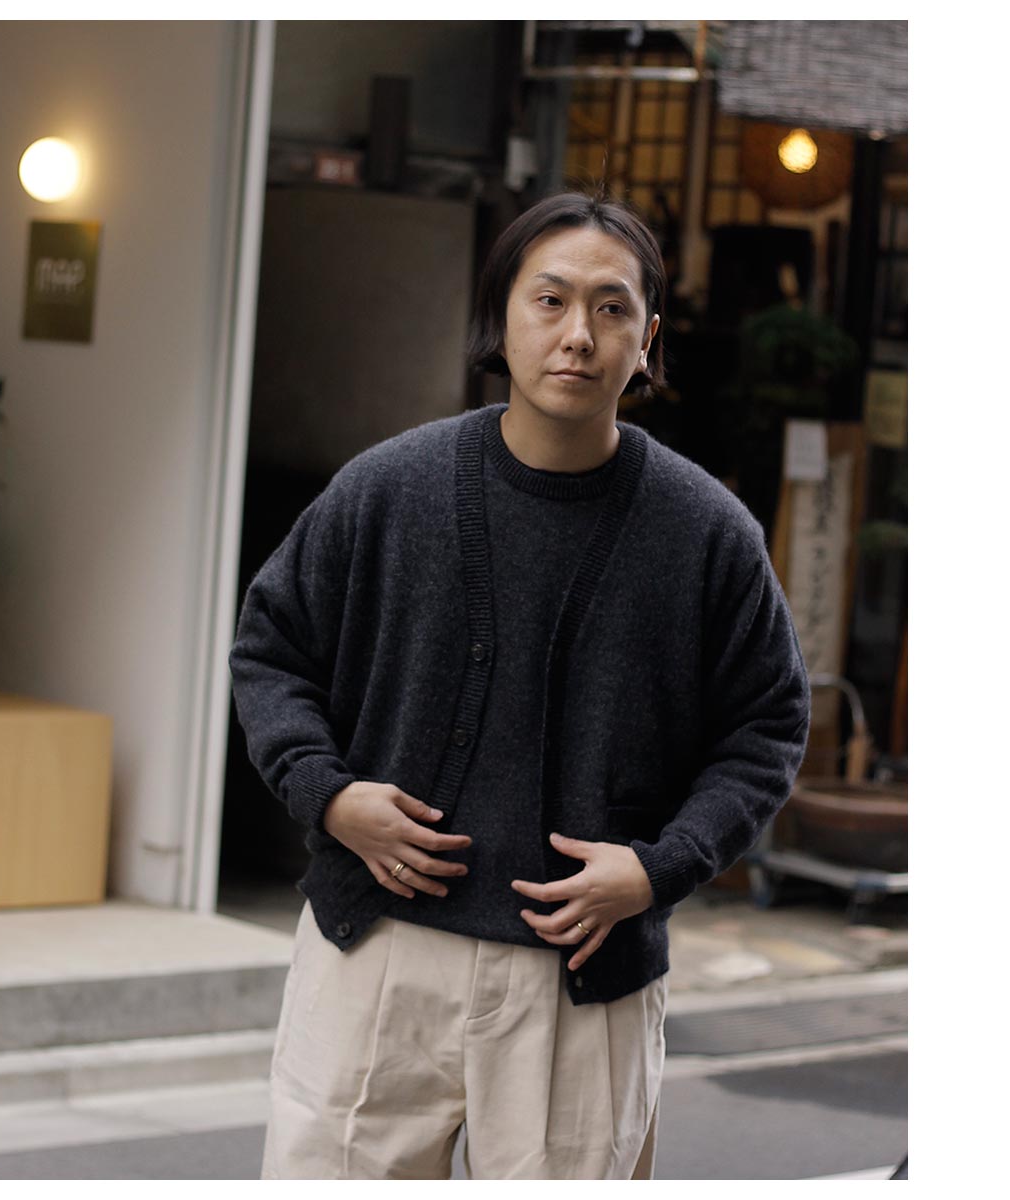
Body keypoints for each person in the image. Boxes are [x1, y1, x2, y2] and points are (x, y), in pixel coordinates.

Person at [228, 190, 811, 1180]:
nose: (578, 334)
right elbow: (271, 647)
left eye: (612, 308)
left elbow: (767, 729)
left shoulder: (707, 534)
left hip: (585, 972)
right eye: (550, 300)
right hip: (375, 944)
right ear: (500, 317)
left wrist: (660, 868)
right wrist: (328, 796)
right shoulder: (386, 490)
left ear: (646, 341)